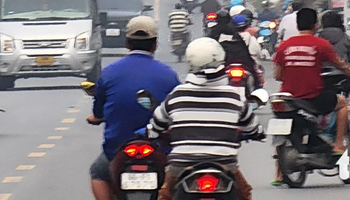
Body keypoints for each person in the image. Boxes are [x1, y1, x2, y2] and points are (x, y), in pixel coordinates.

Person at [150, 37, 262, 200]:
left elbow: (156, 125)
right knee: (244, 194)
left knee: (165, 195)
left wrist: (153, 133)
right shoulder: (234, 96)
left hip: (181, 164)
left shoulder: (177, 95)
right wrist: (257, 133)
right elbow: (253, 127)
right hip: (225, 164)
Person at [87, 16, 180, 200]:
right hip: (159, 147)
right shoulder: (169, 75)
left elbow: (98, 109)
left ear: (127, 43)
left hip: (117, 145)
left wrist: (97, 117)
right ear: (154, 44)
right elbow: (177, 110)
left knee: (98, 173)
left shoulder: (110, 72)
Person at [274, 8, 350, 161]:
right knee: (342, 104)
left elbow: (277, 76)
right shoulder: (321, 45)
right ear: (316, 25)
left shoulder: (283, 46)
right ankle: (338, 145)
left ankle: (279, 174)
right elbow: (341, 65)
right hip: (312, 96)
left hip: (288, 97)